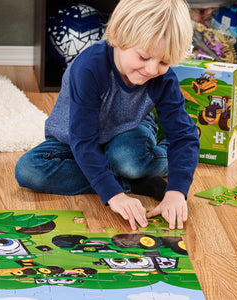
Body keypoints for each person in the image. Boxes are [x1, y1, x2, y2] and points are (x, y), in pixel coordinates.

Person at [15, 0, 200, 231]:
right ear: (117, 38)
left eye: (163, 62)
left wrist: (176, 191)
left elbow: (185, 136)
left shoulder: (163, 79)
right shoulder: (89, 68)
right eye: (144, 57)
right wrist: (115, 195)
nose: (152, 70)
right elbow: (83, 141)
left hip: (128, 132)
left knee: (127, 161)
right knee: (28, 169)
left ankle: (142, 165)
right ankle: (131, 183)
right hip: (75, 140)